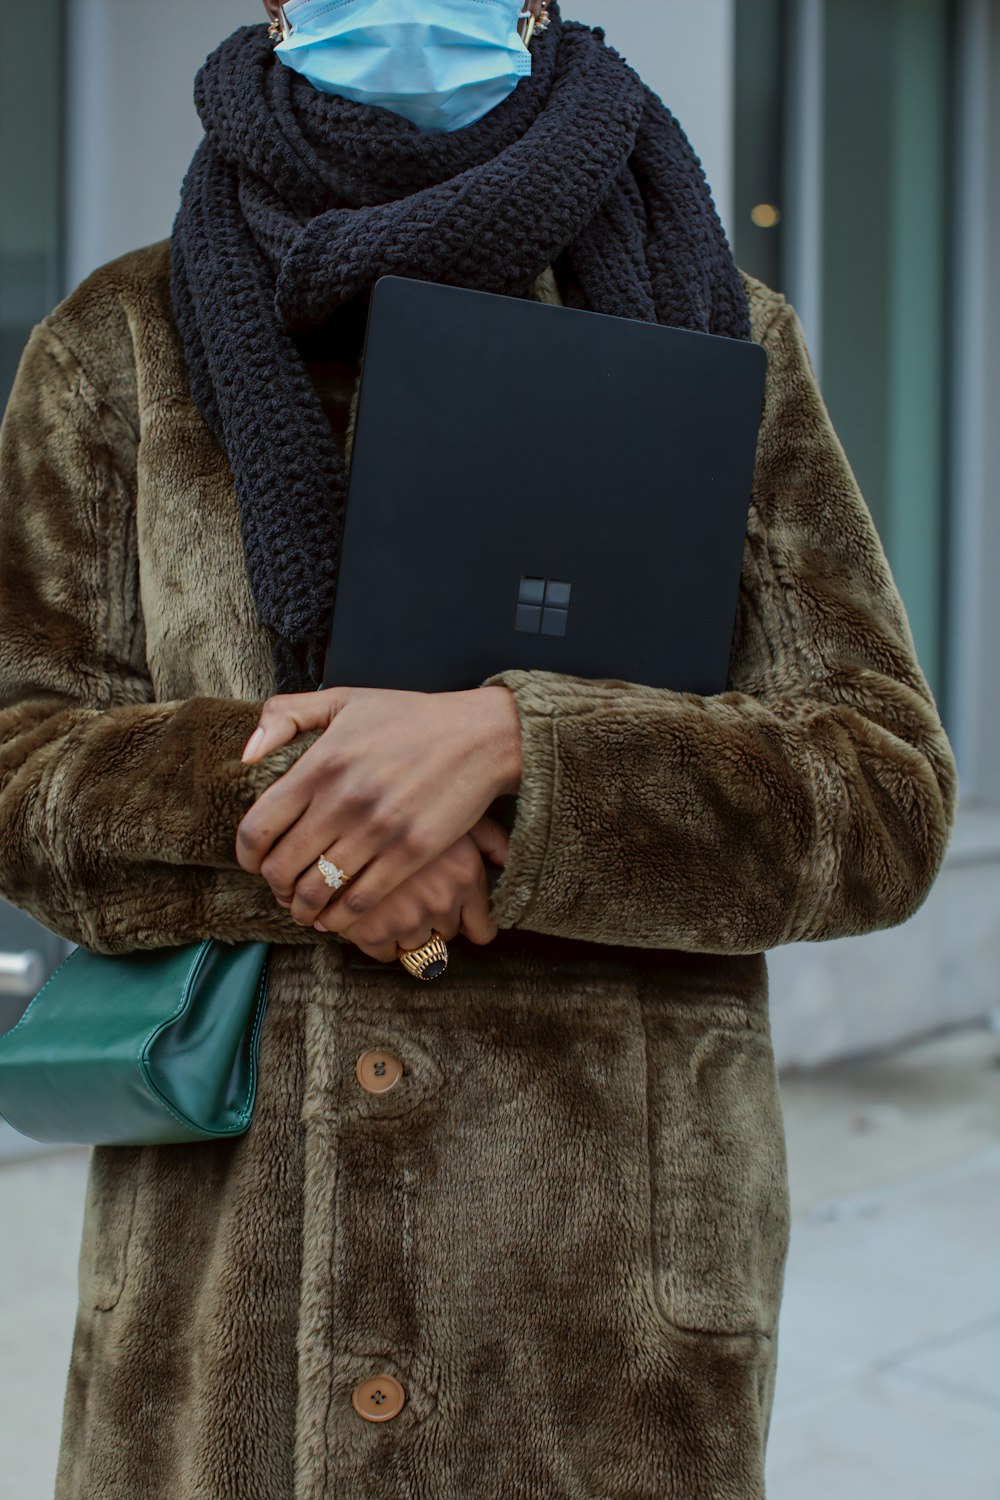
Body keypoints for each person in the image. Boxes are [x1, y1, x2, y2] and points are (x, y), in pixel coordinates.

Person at [0, 2, 956, 1496]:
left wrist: (522, 748)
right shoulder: (119, 345)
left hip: (598, 1332)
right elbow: (20, 768)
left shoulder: (709, 321)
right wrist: (322, 816)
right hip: (236, 1318)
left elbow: (882, 793)